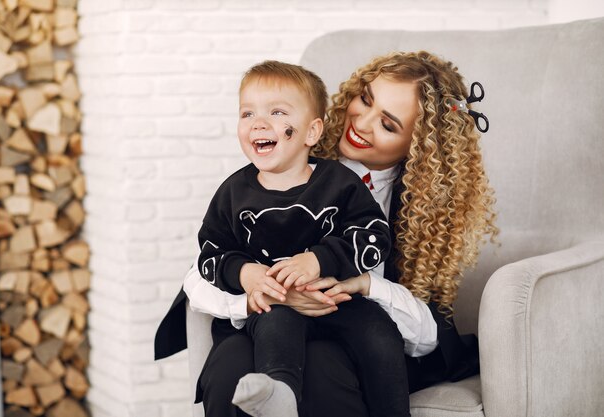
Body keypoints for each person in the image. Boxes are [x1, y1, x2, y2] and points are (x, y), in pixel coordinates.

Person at [154, 50, 498, 417]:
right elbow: (207, 262)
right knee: (230, 368)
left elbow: (427, 335)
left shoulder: (422, 213)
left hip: (348, 324)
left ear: (418, 144)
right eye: (365, 100)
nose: (362, 123)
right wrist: (266, 293)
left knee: (325, 369)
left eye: (388, 124)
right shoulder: (285, 161)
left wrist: (364, 284)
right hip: (264, 318)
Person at [196, 60, 410, 417]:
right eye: (247, 114)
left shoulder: (339, 182)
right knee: (278, 323)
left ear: (311, 132)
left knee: (379, 331)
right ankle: (280, 396)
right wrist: (245, 274)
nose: (259, 123)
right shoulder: (233, 193)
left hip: (336, 301)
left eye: (277, 112)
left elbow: (373, 235)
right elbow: (211, 253)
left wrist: (320, 260)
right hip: (273, 305)